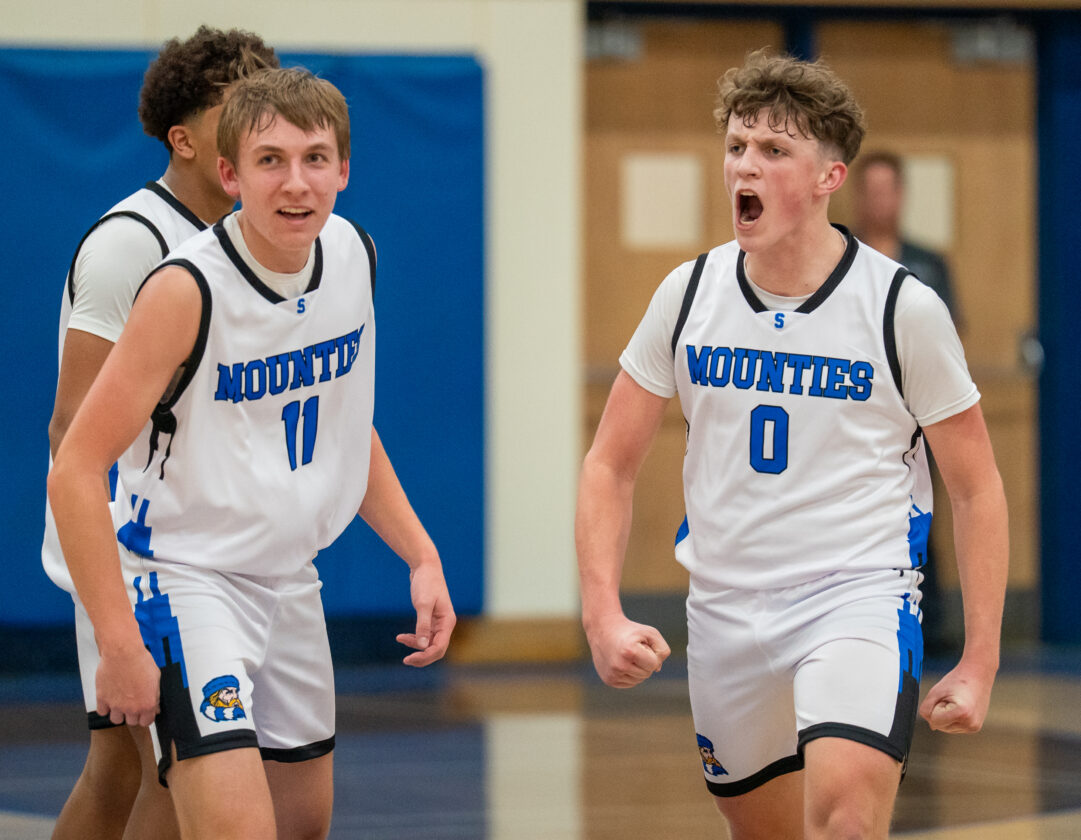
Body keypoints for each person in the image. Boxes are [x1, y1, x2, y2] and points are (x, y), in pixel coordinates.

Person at [576, 49, 1007, 840]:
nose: (746, 165)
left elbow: (976, 487)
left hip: (855, 596)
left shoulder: (900, 309)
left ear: (827, 178)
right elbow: (608, 463)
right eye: (737, 146)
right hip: (724, 607)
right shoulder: (689, 294)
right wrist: (601, 613)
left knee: (844, 820)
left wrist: (979, 658)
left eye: (774, 149)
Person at [48, 65, 456, 839]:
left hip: (289, 578)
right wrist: (118, 640)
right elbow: (74, 466)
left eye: (314, 158)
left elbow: (346, 430)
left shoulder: (353, 255)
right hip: (184, 581)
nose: (295, 182)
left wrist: (420, 553)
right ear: (231, 175)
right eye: (271, 160)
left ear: (343, 169)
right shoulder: (184, 290)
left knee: (301, 826)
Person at [42, 26, 278, 840]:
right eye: (235, 114)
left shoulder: (243, 239)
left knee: (121, 770)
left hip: (199, 542)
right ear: (183, 140)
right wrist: (117, 581)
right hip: (135, 550)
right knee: (175, 775)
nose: (255, 129)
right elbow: (71, 425)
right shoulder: (131, 244)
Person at [852, 150, 963, 657]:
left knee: (922, 513)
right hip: (859, 414)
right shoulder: (841, 258)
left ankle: (930, 621)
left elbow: (949, 341)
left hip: (922, 416)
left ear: (901, 195)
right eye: (871, 190)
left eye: (888, 190)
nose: (880, 201)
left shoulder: (927, 264)